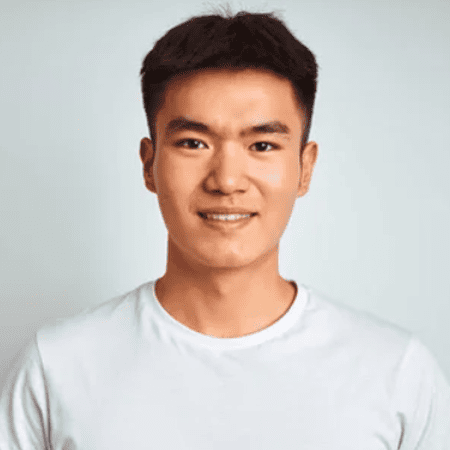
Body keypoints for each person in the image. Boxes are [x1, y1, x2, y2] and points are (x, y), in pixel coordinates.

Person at [1, 6, 449, 449]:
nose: (227, 180)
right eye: (193, 143)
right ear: (149, 165)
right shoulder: (56, 369)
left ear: (305, 168)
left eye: (262, 145)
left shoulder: (397, 375)